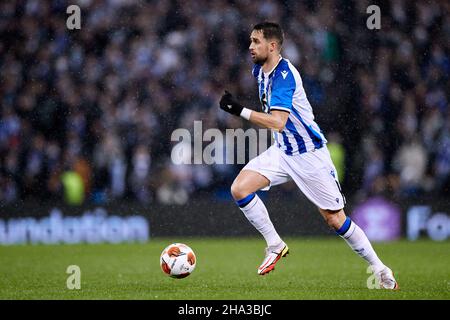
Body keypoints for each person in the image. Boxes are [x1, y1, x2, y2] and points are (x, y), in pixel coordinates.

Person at [219, 22, 398, 289]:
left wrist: (240, 111)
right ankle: (275, 244)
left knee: (334, 219)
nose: (250, 46)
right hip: (282, 151)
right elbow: (279, 126)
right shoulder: (259, 70)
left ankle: (380, 268)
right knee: (240, 189)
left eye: (256, 41)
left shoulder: (284, 75)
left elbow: (279, 122)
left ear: (272, 46)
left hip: (308, 155)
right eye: (250, 41)